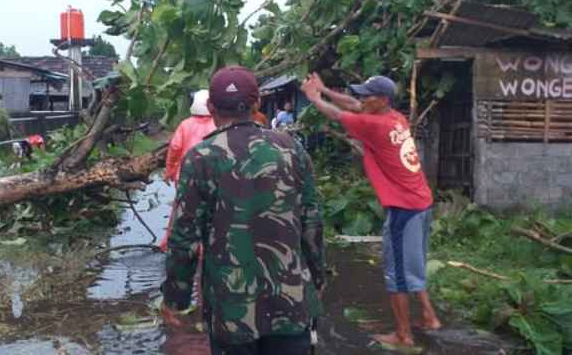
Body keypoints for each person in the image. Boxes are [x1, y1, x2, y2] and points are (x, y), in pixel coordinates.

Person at [160, 66, 326, 355]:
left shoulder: (200, 158)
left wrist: (176, 297)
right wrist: (317, 278)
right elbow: (312, 222)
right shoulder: (292, 149)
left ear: (211, 107)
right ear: (257, 102)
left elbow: (184, 238)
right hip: (291, 302)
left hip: (230, 311)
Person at [300, 73, 441, 347]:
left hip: (404, 209)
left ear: (382, 100)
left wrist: (314, 97)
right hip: (421, 203)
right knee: (413, 264)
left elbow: (338, 114)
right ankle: (428, 315)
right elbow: (353, 104)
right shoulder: (395, 118)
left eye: (368, 95)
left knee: (396, 272)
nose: (362, 99)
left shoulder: (372, 126)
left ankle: (403, 335)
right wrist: (326, 88)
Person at [161, 89, 216, 252]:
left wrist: (170, 171)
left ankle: (170, 245)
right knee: (210, 213)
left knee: (180, 211)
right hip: (211, 177)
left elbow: (175, 148)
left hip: (185, 176)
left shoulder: (185, 125)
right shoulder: (217, 124)